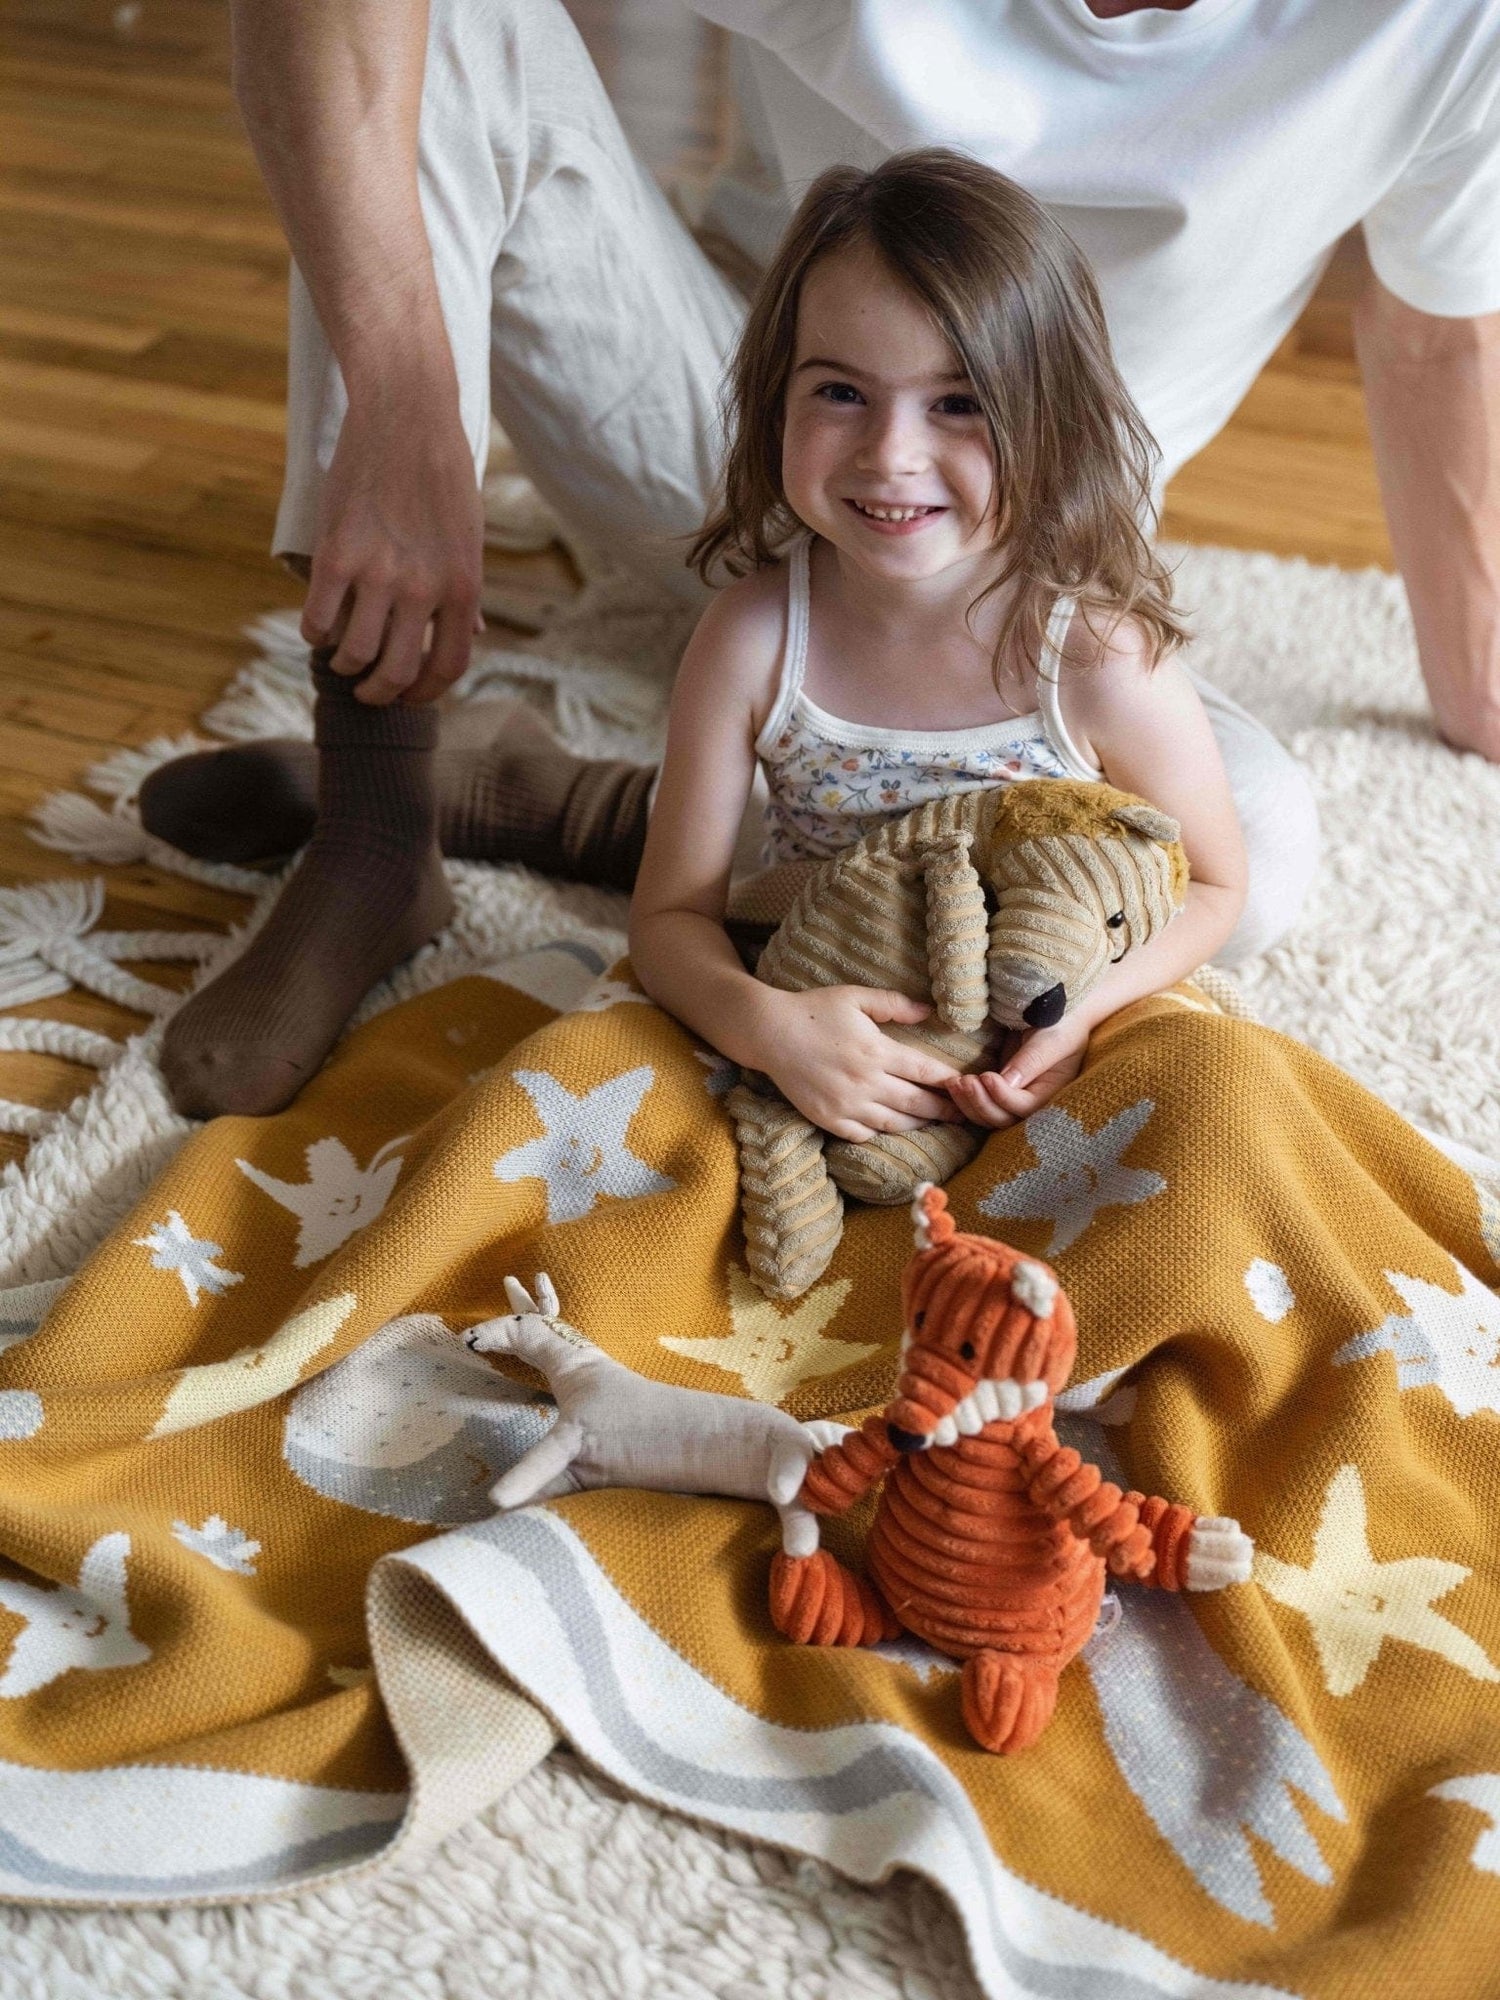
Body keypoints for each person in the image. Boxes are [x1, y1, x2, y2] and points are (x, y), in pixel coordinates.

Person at [146, 0, 1500, 1119]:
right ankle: (382, 817)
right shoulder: (789, 521)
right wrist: (401, 408)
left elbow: (1444, 328)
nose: (901, 451)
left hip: (1034, 543)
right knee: (439, 30)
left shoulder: (1435, 24)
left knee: (1256, 841)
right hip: (732, 418)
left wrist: (1480, 681)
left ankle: (541, 800)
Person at [630, 152, 1245, 1133]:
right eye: (840, 393)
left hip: (1040, 1031)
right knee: (592, 1080)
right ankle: (591, 811)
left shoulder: (1093, 655)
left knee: (1220, 1095)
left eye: (957, 404)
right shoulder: (752, 638)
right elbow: (668, 924)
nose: (891, 454)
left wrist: (1078, 1016)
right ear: (775, 393)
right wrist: (774, 1032)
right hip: (820, 1010)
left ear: (1054, 421)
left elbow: (1214, 883)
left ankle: (584, 806)